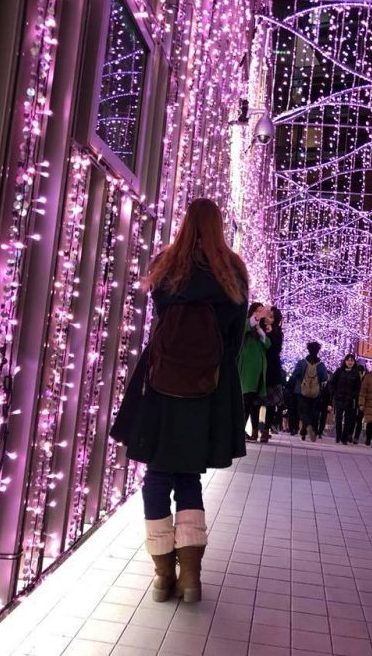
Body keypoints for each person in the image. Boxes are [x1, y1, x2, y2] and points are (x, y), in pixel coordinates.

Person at [111, 198, 248, 604]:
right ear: (219, 227)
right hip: (207, 390)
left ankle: (161, 576)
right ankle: (191, 579)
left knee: (156, 476)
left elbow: (158, 323)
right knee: (188, 477)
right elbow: (234, 341)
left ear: (185, 223)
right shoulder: (232, 270)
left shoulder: (166, 265)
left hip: (161, 387)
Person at [238, 303, 271, 441]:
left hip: (257, 372)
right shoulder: (245, 326)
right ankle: (238, 431)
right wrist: (256, 320)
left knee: (249, 402)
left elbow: (268, 344)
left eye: (261, 312)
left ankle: (240, 431)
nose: (259, 314)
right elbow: (246, 325)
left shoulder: (259, 330)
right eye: (257, 311)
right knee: (244, 401)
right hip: (246, 370)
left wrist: (260, 328)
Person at [291, 342, 328, 442]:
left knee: (303, 412)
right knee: (312, 412)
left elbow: (295, 375)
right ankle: (308, 430)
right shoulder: (321, 365)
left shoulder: (302, 363)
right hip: (315, 392)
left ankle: (305, 430)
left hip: (301, 391)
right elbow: (325, 377)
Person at [261, 306, 284, 443]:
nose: (268, 319)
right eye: (267, 315)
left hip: (271, 370)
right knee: (256, 402)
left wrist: (270, 334)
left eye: (271, 317)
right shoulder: (258, 328)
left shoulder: (278, 333)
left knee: (270, 403)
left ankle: (265, 431)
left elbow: (276, 349)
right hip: (259, 368)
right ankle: (253, 431)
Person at [329, 354, 361, 445]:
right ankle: (338, 435)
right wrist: (334, 393)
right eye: (348, 360)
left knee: (348, 420)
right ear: (345, 361)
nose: (350, 362)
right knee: (338, 418)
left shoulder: (355, 373)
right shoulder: (339, 371)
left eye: (352, 360)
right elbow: (332, 382)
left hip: (350, 400)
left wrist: (354, 395)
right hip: (339, 398)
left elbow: (358, 387)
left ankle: (344, 437)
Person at [351, 364, 367, 443]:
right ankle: (350, 434)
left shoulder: (366, 379)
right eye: (359, 372)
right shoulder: (354, 377)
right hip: (354, 399)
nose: (360, 374)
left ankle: (356, 437)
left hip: (363, 401)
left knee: (359, 419)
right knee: (353, 418)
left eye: (362, 372)